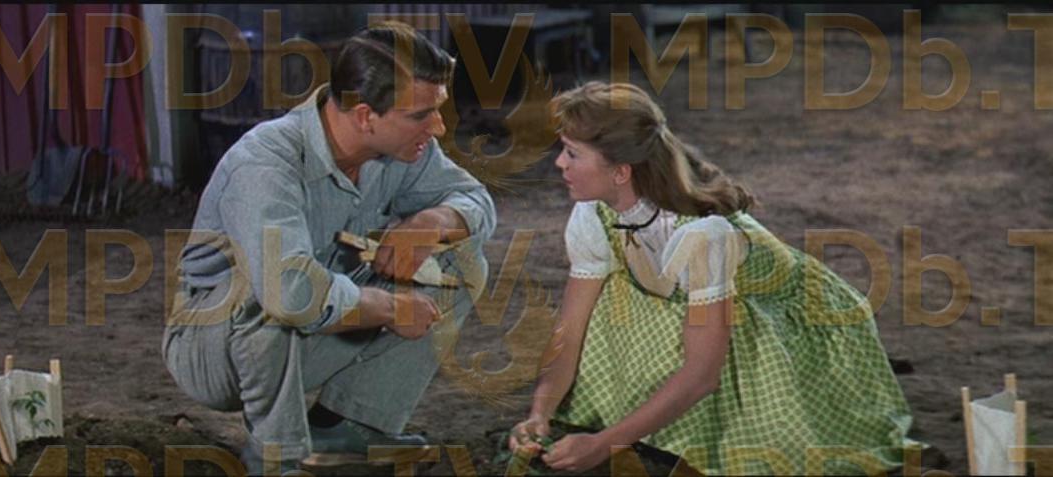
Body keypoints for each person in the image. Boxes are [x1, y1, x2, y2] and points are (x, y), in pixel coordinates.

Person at [508, 82, 914, 475]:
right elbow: (570, 331)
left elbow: (702, 374)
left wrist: (604, 444)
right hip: (694, 306)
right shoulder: (594, 213)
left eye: (572, 154)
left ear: (621, 172)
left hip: (790, 325)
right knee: (612, 298)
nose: (560, 164)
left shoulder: (702, 236)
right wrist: (539, 412)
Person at [161, 22, 496, 475]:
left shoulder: (403, 151)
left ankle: (346, 426)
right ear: (365, 116)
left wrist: (432, 222)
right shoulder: (265, 162)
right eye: (422, 114)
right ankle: (277, 458)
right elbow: (290, 292)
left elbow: (476, 201)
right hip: (217, 350)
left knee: (462, 261)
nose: (437, 127)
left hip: (314, 328)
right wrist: (390, 307)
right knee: (273, 293)